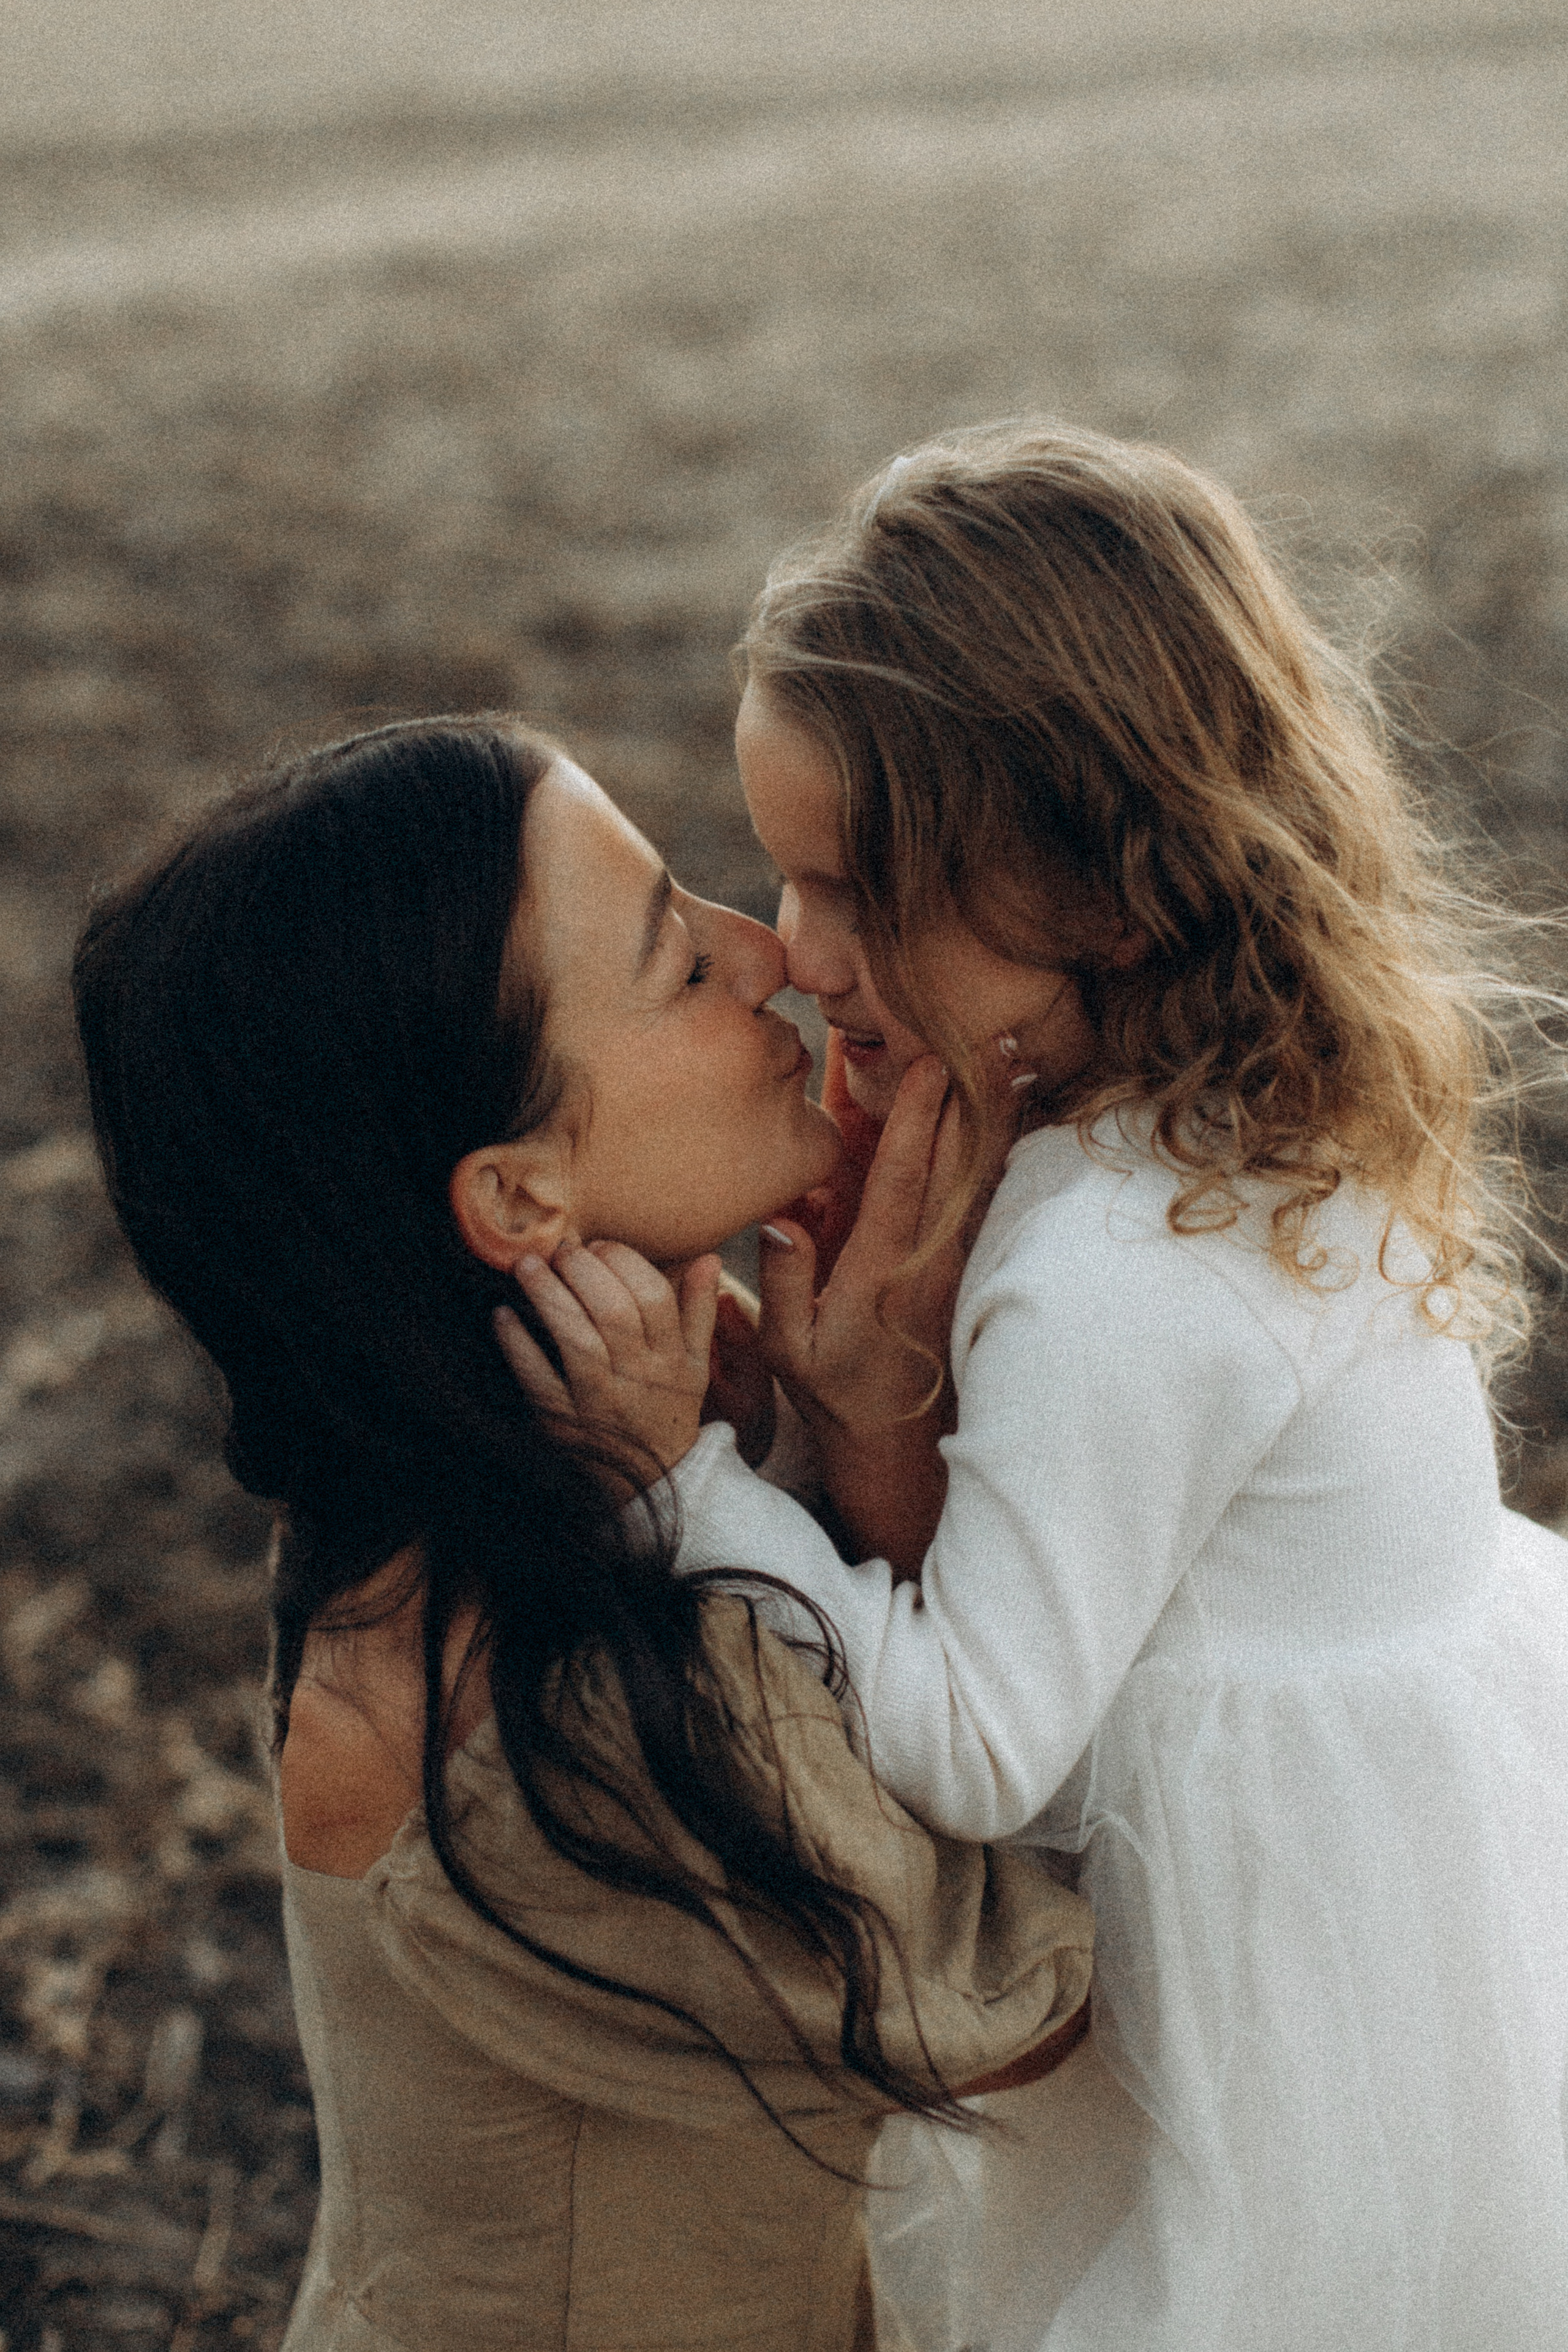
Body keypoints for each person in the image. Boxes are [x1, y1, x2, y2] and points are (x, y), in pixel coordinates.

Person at [500, 426, 1568, 2349]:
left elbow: (985, 1745)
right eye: (783, 875)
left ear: (1105, 882)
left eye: (855, 889)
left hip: (1278, 1966)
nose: (801, 954)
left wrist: (692, 1486)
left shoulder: (1117, 1269)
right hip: (1412, 1849)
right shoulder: (1229, 1110)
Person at [70, 717, 1095, 2352]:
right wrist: (789, 1483)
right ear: (521, 1203)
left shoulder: (465, 1484)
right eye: (674, 964)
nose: (763, 956)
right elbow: (1007, 1997)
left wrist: (846, 1428)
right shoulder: (538, 1700)